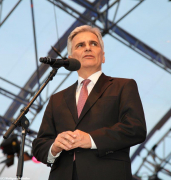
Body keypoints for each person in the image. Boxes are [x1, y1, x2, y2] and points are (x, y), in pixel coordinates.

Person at [32, 25, 147, 180]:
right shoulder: (56, 99)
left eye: (93, 44)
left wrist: (91, 139)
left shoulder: (124, 86)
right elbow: (40, 146)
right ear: (71, 58)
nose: (87, 48)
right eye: (80, 45)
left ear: (103, 56)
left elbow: (135, 128)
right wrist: (55, 146)